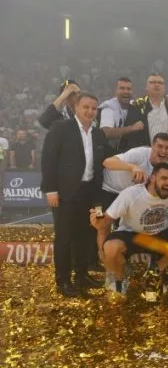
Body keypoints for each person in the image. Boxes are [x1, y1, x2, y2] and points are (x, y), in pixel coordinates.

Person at [41, 93, 113, 297]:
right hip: (64, 192)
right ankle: (63, 280)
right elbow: (48, 159)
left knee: (84, 236)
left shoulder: (98, 134)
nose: (90, 111)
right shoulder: (61, 128)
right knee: (64, 237)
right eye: (86, 107)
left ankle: (81, 275)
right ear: (76, 108)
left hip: (89, 192)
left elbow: (109, 159)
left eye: (93, 108)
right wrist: (51, 189)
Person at [90, 163, 168, 298]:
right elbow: (106, 221)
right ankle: (120, 279)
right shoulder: (131, 194)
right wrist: (98, 223)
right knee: (111, 248)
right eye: (164, 178)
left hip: (159, 234)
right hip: (134, 235)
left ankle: (155, 271)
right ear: (152, 178)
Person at [101, 133, 168, 210]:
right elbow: (107, 162)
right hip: (109, 189)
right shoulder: (139, 153)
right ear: (152, 145)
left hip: (130, 197)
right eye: (160, 146)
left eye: (167, 148)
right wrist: (132, 167)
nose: (163, 151)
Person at [118, 73, 168, 152]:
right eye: (152, 82)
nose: (156, 85)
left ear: (164, 87)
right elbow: (130, 136)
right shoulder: (137, 105)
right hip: (144, 153)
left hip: (166, 152)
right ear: (146, 87)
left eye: (160, 83)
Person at [98, 77, 145, 151]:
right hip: (112, 152)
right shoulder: (109, 108)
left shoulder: (136, 105)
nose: (125, 91)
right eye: (122, 88)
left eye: (128, 89)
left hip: (132, 151)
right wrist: (132, 128)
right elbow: (106, 132)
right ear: (116, 91)